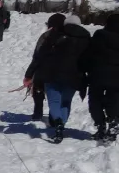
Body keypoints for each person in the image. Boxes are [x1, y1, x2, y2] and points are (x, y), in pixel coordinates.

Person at [24, 14, 91, 143]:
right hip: (73, 76)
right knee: (66, 102)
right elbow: (88, 59)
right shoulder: (86, 38)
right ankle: (61, 125)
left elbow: (39, 56)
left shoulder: (54, 35)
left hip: (52, 74)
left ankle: (58, 122)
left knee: (54, 102)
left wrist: (30, 74)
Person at [86, 14, 119, 144]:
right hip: (117, 76)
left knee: (95, 99)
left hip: (97, 74)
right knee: (115, 99)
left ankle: (100, 126)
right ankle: (114, 121)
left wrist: (86, 68)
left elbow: (89, 53)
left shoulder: (99, 35)